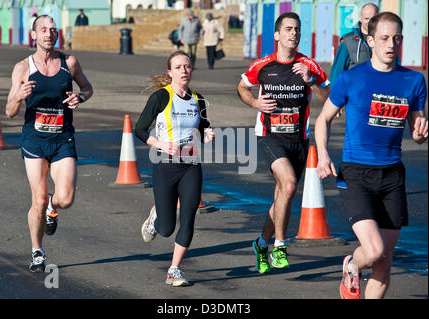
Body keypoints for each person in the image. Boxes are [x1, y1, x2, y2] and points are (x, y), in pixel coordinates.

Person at [315, 12, 427, 299]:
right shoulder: (352, 78)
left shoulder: (413, 81)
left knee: (384, 266)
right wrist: (323, 155)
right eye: (384, 38)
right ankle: (352, 264)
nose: (391, 44)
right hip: (356, 173)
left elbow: (416, 129)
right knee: (374, 251)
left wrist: (420, 133)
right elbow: (323, 119)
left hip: (392, 175)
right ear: (371, 40)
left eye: (396, 38)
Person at [237, 12, 330, 274]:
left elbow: (329, 99)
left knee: (283, 195)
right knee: (288, 184)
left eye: (297, 30)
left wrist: (311, 81)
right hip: (270, 136)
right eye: (288, 29)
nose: (294, 33)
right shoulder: (263, 66)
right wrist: (255, 102)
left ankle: (261, 243)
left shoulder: (309, 66)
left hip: (298, 140)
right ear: (277, 35)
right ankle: (280, 245)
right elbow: (242, 87)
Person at [5, 15, 93, 272]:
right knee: (38, 199)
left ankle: (52, 208)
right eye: (43, 29)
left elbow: (88, 88)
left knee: (65, 199)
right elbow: (9, 112)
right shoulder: (23, 67)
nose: (49, 33)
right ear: (34, 35)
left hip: (62, 138)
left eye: (53, 30)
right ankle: (37, 251)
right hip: (34, 141)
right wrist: (18, 97)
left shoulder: (70, 63)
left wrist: (80, 98)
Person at [134, 51, 215, 286]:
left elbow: (205, 125)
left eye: (188, 66)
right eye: (178, 67)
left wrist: (208, 133)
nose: (184, 71)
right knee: (167, 228)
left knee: (189, 217)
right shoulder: (161, 97)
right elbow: (139, 130)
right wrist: (160, 143)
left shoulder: (198, 99)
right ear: (170, 72)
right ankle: (155, 217)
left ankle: (174, 270)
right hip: (164, 165)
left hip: (190, 164)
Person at [330, 3, 379, 84]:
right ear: (361, 19)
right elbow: (337, 73)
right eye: (366, 18)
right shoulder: (347, 41)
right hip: (354, 93)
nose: (370, 22)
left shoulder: (386, 41)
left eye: (373, 18)